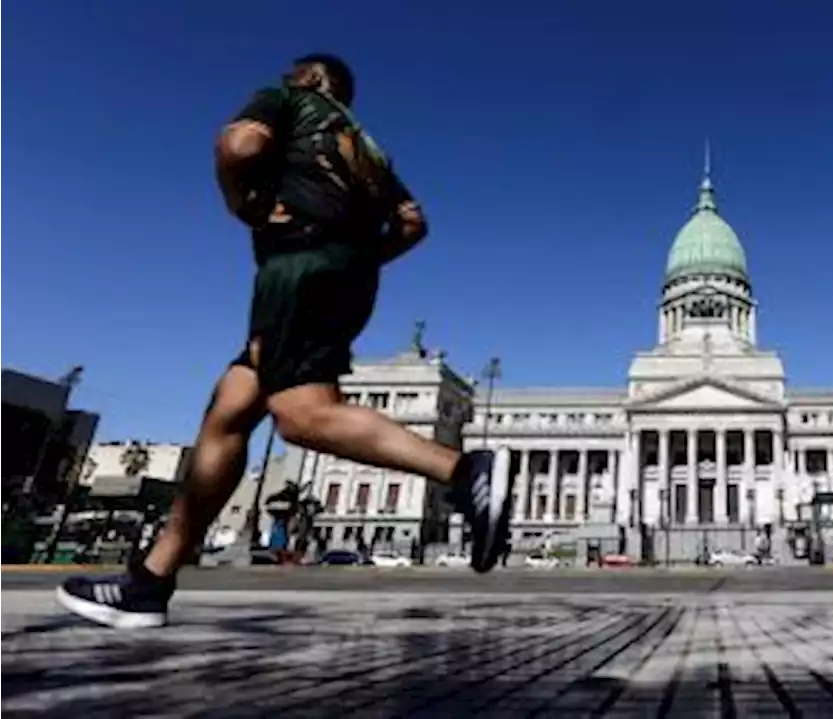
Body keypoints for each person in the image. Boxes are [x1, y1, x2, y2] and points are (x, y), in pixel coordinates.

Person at [55, 54, 512, 629]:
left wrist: (238, 199)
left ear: (309, 78)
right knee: (231, 407)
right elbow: (413, 223)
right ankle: (150, 580)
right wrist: (354, 257)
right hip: (342, 274)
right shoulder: (368, 147)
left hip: (297, 266)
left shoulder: (288, 99)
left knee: (300, 415)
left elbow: (240, 146)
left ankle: (463, 470)